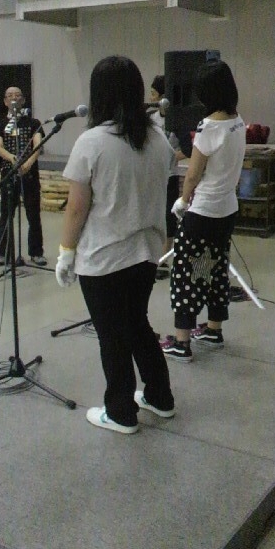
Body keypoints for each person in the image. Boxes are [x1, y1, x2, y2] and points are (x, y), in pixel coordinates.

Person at [55, 55, 176, 434]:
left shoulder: (91, 142)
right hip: (146, 254)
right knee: (137, 324)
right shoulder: (158, 140)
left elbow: (76, 208)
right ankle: (160, 397)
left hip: (103, 259)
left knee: (113, 336)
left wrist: (65, 253)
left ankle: (121, 412)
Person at [161, 60, 246, 362]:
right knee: (216, 268)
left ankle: (181, 342)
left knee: (187, 273)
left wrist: (183, 201)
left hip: (203, 212)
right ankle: (213, 329)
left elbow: (193, 174)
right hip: (227, 210)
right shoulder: (238, 121)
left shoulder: (209, 126)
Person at [0, 86, 47, 267]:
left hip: (29, 174)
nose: (13, 98)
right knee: (6, 214)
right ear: (5, 101)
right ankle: (2, 253)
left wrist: (28, 162)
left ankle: (36, 252)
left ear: (23, 100)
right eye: (10, 96)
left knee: (33, 214)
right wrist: (13, 159)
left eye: (17, 95)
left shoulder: (34, 123)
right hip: (9, 174)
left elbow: (38, 144)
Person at [149, 74, 192, 280]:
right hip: (152, 176)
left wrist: (171, 157)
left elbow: (189, 149)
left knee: (168, 218)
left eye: (154, 93)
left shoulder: (177, 121)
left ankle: (163, 260)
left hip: (169, 176)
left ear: (163, 97)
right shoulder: (150, 118)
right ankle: (151, 256)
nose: (151, 97)